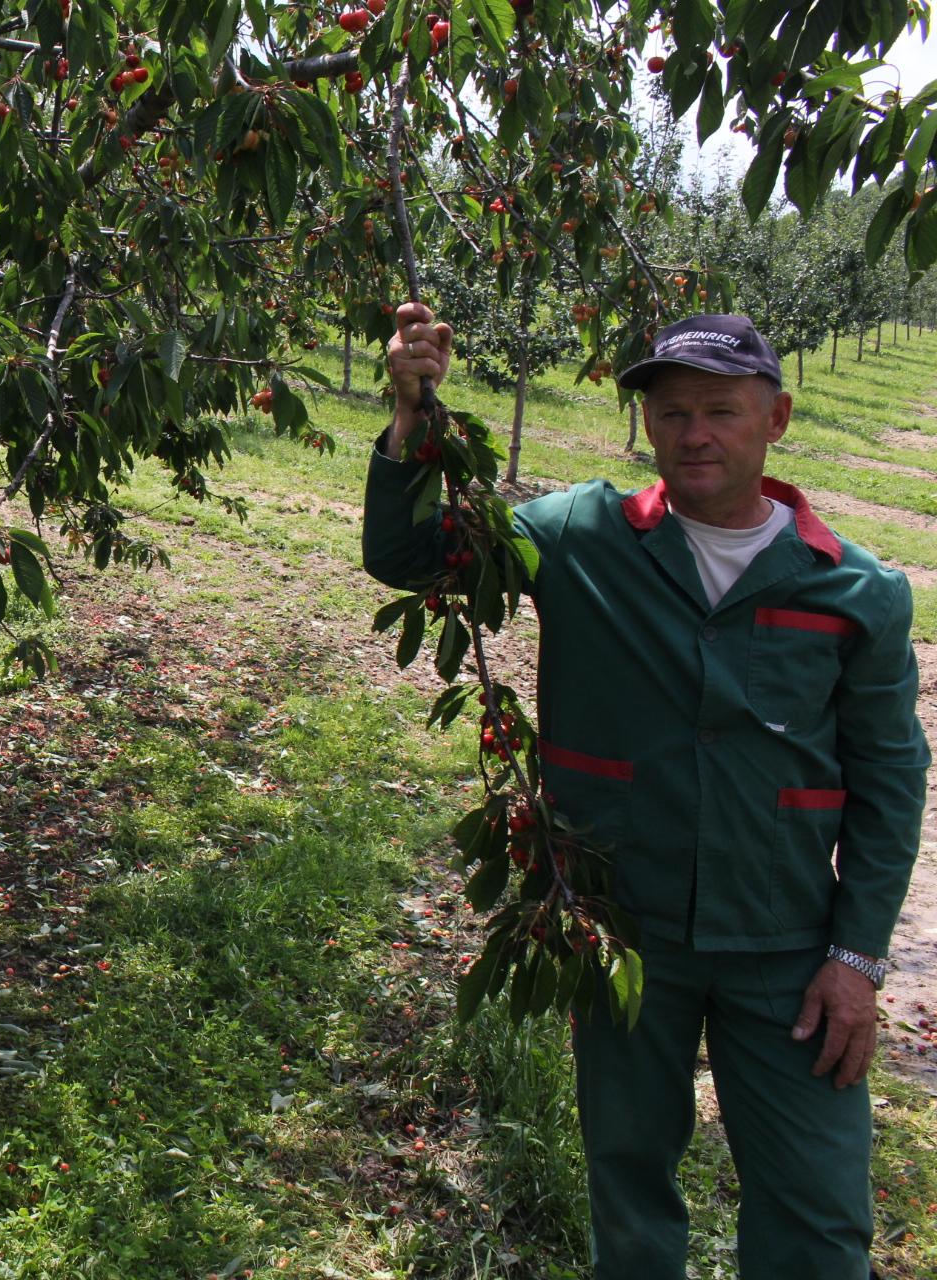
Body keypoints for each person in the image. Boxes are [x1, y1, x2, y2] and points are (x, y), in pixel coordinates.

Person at [361, 303, 930, 1279]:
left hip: (788, 944)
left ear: (777, 418)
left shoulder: (855, 591)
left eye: (721, 410)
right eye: (672, 414)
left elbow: (891, 777)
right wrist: (415, 417)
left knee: (820, 1216)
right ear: (648, 425)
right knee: (629, 1187)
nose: (695, 433)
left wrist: (856, 956)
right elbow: (410, 556)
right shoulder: (582, 535)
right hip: (626, 931)